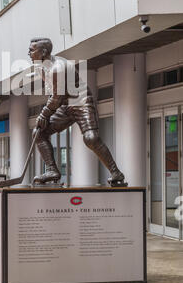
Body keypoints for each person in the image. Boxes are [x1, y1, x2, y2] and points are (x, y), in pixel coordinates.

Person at [28, 38, 126, 186]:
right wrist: (46, 115)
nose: (28, 52)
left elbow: (56, 97)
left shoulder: (57, 68)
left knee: (91, 138)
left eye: (32, 50)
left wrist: (44, 114)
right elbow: (53, 94)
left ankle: (116, 173)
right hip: (64, 104)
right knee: (39, 132)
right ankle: (52, 170)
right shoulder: (40, 66)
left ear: (43, 52)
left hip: (80, 101)